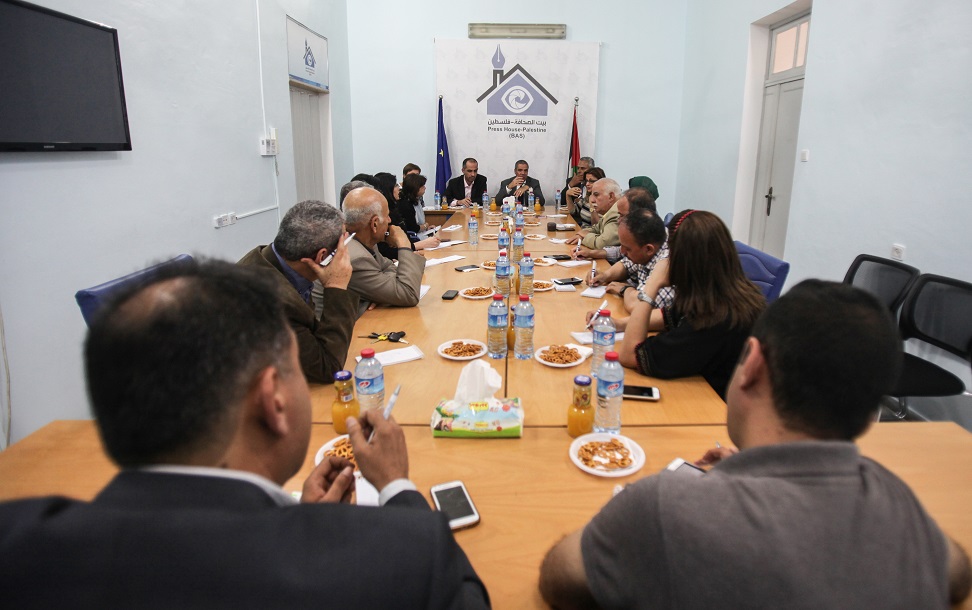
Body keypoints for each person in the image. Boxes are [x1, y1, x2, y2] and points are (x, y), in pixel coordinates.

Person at [0, 260, 491, 608]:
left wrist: (298, 522)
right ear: (274, 400)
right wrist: (397, 488)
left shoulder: (19, 546)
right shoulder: (397, 556)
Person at [540, 280, 972, 610]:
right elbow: (956, 573)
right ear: (867, 413)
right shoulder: (899, 504)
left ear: (751, 363)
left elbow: (559, 579)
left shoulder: (665, 507)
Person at [616, 210, 765, 398]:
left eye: (671, 254)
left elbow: (629, 355)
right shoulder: (719, 292)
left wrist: (652, 284)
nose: (666, 260)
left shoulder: (711, 319)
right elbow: (666, 317)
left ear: (685, 261)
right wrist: (619, 324)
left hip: (713, 406)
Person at [237, 200, 358, 384]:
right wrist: (337, 287)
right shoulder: (277, 303)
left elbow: (311, 335)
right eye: (343, 245)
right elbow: (328, 367)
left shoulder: (268, 257)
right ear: (322, 256)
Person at [343, 186, 426, 315]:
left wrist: (381, 294)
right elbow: (408, 294)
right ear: (375, 224)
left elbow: (389, 267)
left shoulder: (364, 241)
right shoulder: (356, 258)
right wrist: (403, 243)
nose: (390, 220)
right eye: (387, 216)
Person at [587, 208, 674, 316]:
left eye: (627, 249)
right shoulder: (646, 248)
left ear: (648, 249)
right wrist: (605, 275)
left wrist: (625, 289)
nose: (622, 252)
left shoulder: (666, 264)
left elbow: (639, 306)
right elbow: (626, 265)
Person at [573, 185, 657, 264]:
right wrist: (590, 253)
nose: (619, 220)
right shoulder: (639, 237)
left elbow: (603, 243)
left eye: (622, 216)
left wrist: (585, 237)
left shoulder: (658, 256)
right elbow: (619, 252)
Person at [566, 178, 622, 250]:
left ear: (611, 196)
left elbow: (603, 244)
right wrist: (581, 234)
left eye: (596, 195)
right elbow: (596, 228)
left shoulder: (617, 212)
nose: (592, 200)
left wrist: (584, 237)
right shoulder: (611, 211)